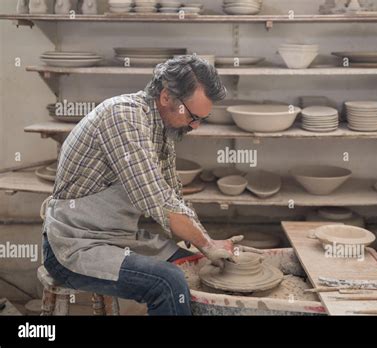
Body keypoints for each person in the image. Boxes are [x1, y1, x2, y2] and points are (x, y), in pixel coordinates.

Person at [41, 55, 244, 315]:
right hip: (74, 245)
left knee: (195, 265)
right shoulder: (123, 117)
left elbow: (173, 198)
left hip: (116, 238)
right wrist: (207, 244)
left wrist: (208, 245)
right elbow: (157, 201)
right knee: (168, 282)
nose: (195, 126)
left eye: (202, 119)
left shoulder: (161, 129)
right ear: (167, 96)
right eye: (193, 116)